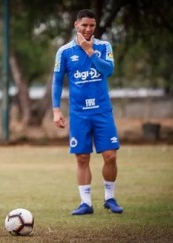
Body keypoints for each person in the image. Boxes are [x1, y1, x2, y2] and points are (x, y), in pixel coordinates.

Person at [51, 9, 123, 215]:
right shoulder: (64, 51)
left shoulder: (104, 46)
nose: (88, 29)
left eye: (92, 25)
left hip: (102, 112)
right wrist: (56, 110)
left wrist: (90, 51)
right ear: (76, 25)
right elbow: (57, 82)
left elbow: (108, 71)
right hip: (79, 114)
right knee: (82, 157)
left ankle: (110, 198)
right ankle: (85, 203)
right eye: (84, 25)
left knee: (110, 155)